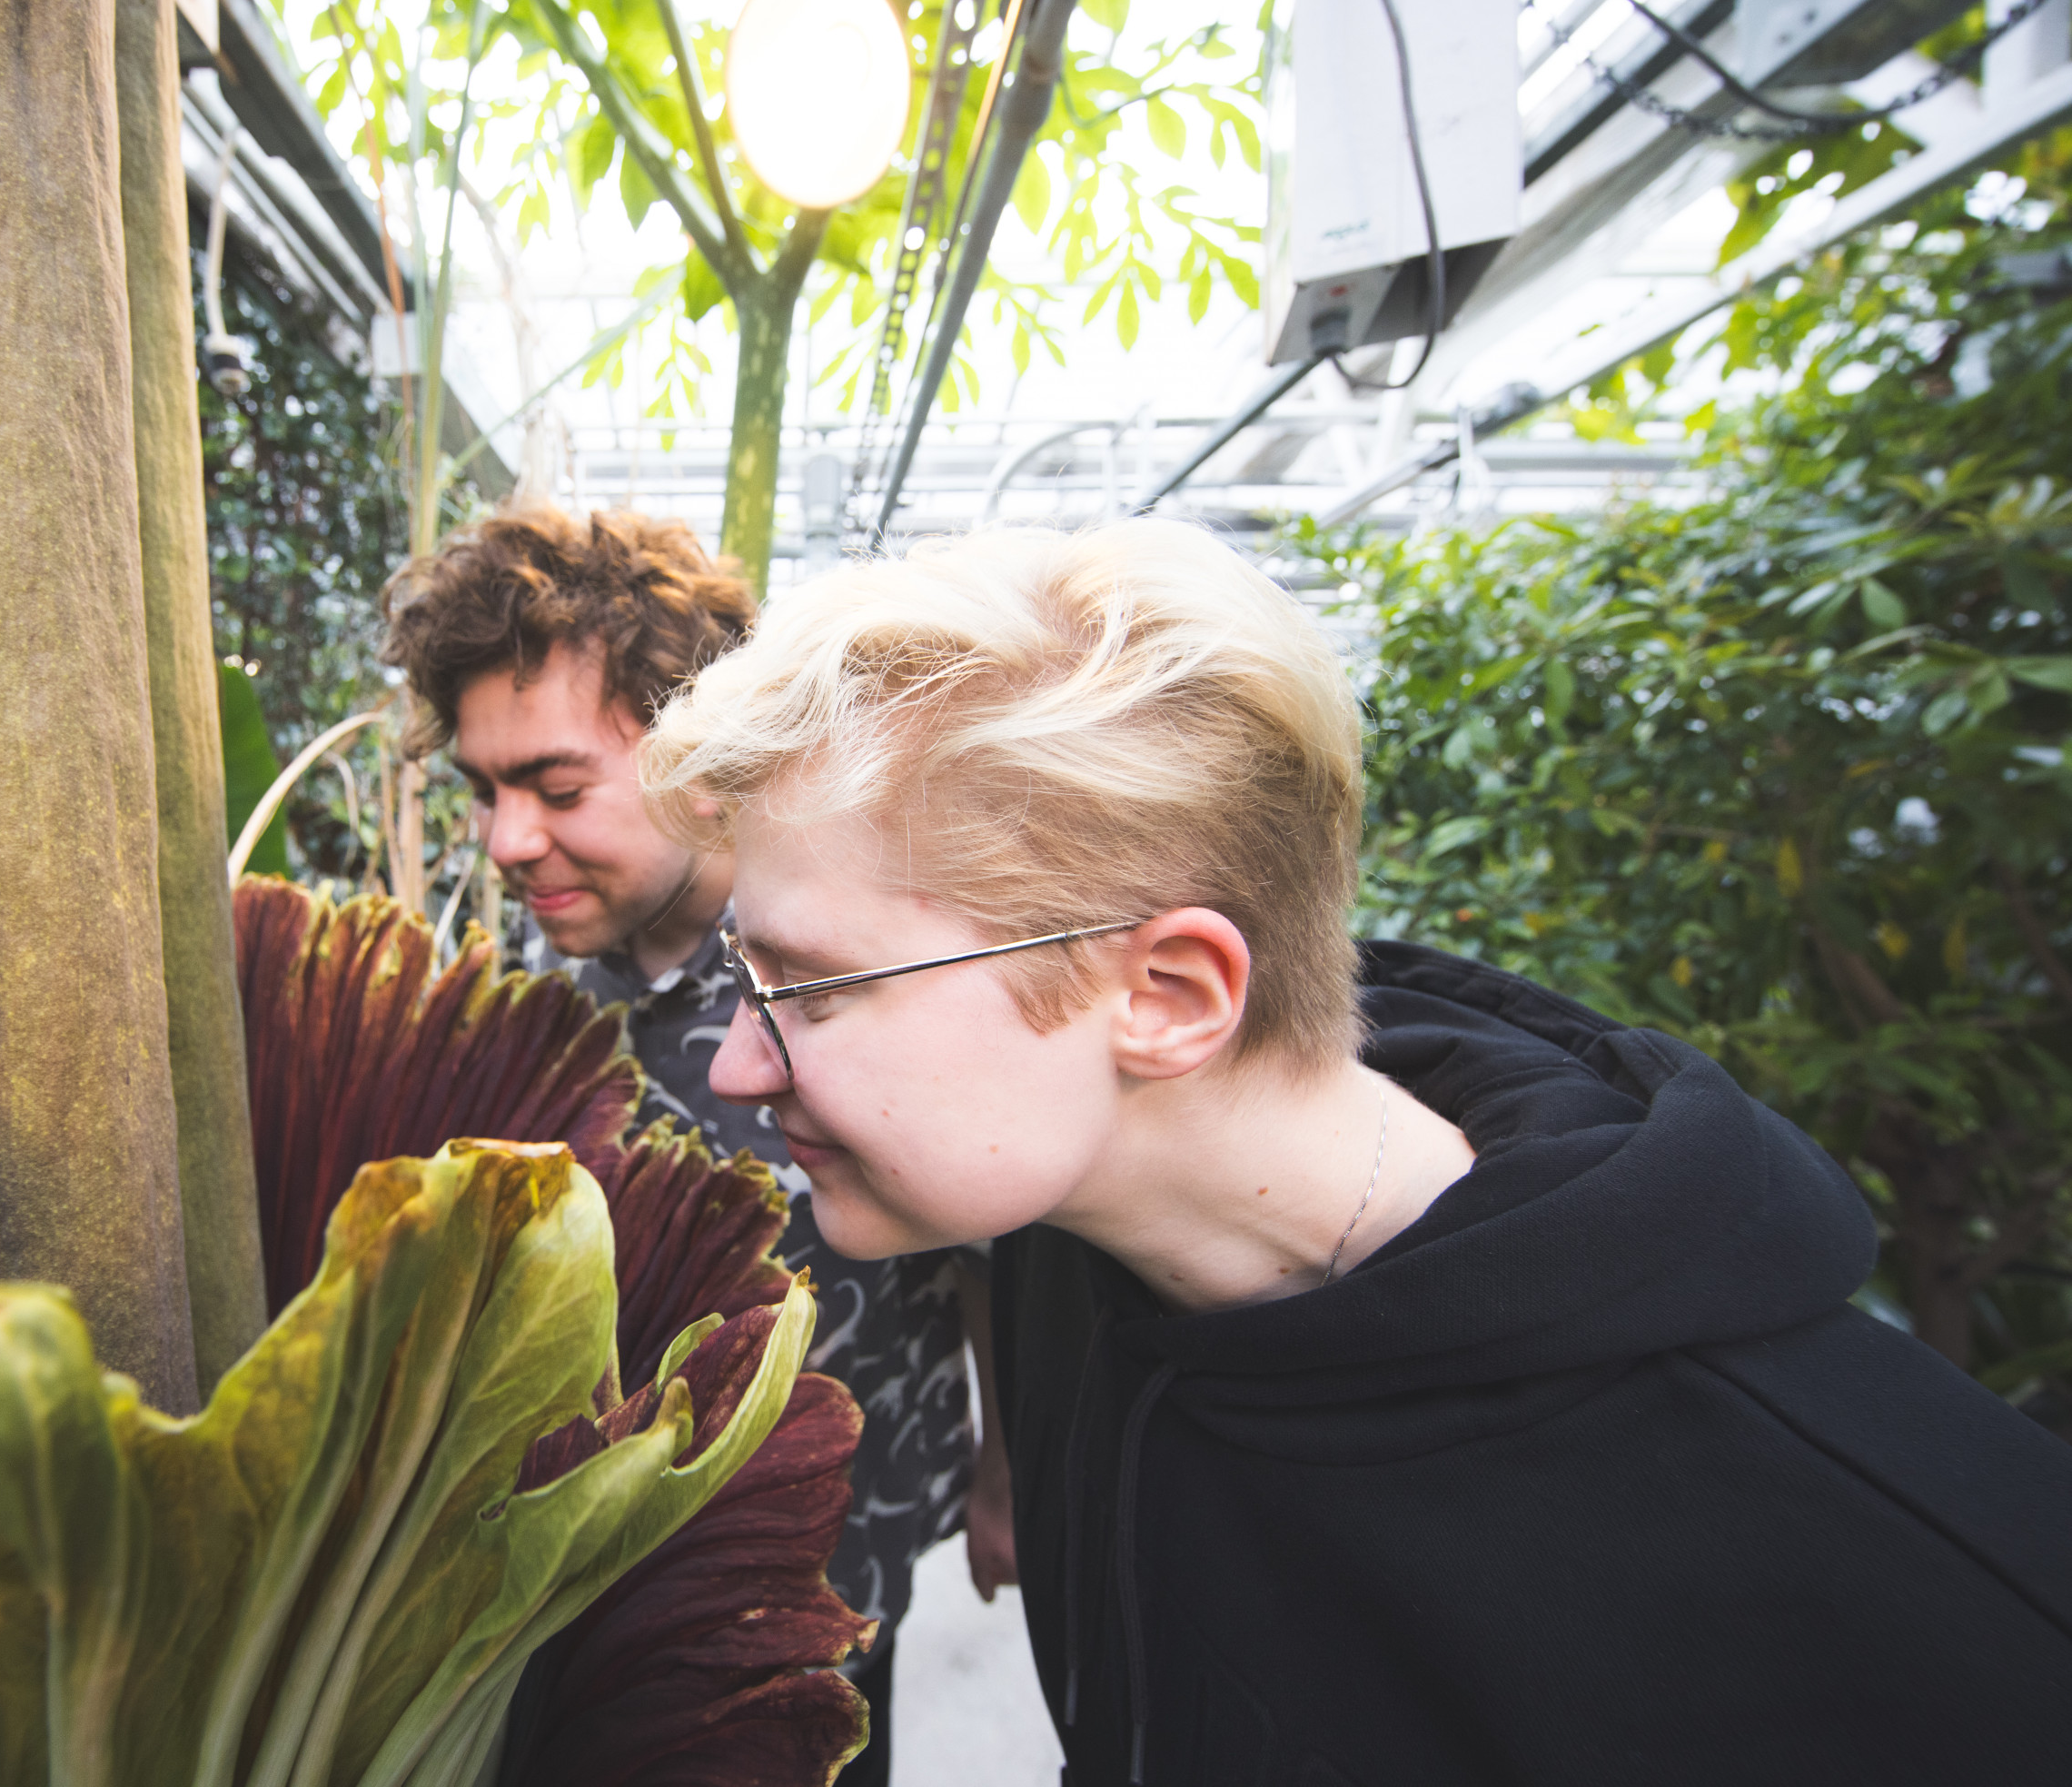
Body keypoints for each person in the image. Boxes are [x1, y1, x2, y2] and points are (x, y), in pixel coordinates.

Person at [639, 520, 2072, 1785]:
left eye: (812, 989)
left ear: (1167, 998)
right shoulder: (1079, 1249)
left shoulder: (1903, 1576)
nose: (736, 1064)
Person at [380, 504, 976, 1786]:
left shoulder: (852, 956)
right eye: (484, 790)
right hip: (616, 1562)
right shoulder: (542, 966)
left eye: (555, 786)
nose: (505, 842)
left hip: (838, 1540)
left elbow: (993, 1232)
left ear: (702, 756)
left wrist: (1020, 1477)